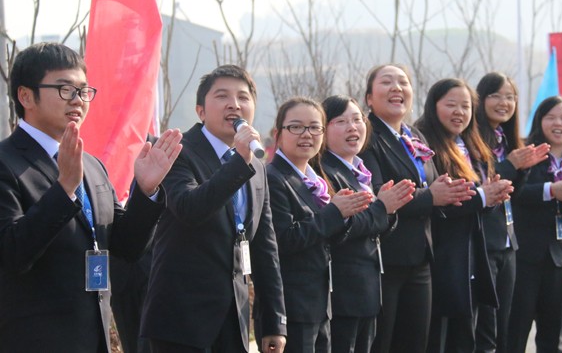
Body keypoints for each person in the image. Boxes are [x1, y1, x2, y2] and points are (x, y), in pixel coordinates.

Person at [0, 42, 182, 353]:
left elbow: (126, 247)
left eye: (84, 91)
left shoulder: (92, 165)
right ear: (26, 96)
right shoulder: (6, 163)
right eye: (65, 89)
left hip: (93, 336)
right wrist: (64, 190)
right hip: (33, 340)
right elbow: (12, 253)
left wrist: (146, 191)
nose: (78, 100)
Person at [140, 65, 286, 353]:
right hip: (182, 322)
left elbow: (265, 246)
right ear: (201, 111)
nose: (234, 104)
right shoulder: (177, 151)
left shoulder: (256, 165)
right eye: (222, 96)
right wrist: (238, 163)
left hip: (234, 319)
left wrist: (273, 322)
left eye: (243, 97)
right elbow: (189, 208)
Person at [359, 64, 473, 353]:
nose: (397, 88)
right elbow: (379, 194)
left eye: (403, 82)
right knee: (384, 344)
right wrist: (431, 197)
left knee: (416, 343)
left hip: (421, 257)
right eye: (387, 82)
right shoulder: (367, 137)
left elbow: (431, 186)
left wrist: (449, 193)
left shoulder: (414, 137)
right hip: (387, 260)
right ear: (369, 98)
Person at [414, 78, 512, 353]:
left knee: (472, 337)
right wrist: (483, 197)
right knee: (444, 338)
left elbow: (479, 197)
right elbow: (444, 202)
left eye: (466, 106)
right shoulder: (425, 145)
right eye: (451, 105)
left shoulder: (470, 145)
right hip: (444, 256)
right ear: (433, 106)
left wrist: (492, 196)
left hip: (472, 253)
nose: (459, 112)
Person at [267, 97, 372, 353]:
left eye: (315, 127)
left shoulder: (315, 182)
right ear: (277, 134)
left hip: (321, 305)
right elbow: (284, 239)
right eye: (296, 127)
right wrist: (335, 213)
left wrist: (344, 214)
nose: (307, 134)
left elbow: (326, 235)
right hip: (293, 307)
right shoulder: (274, 178)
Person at [320, 95, 414, 353]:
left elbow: (375, 225)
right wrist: (382, 208)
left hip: (368, 291)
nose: (353, 127)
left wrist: (389, 210)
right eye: (341, 122)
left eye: (357, 119)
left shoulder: (359, 171)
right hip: (343, 294)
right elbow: (343, 224)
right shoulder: (325, 171)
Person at [508, 96, 562, 353]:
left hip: (560, 258)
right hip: (524, 256)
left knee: (553, 337)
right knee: (514, 333)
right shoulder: (527, 153)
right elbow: (514, 193)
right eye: (551, 117)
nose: (558, 123)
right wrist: (551, 190)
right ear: (540, 121)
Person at [474, 72, 549, 353]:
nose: (503, 103)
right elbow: (483, 187)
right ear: (480, 99)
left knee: (505, 324)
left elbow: (512, 194)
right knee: (487, 329)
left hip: (507, 241)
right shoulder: (472, 140)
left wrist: (523, 168)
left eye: (510, 97)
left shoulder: (506, 139)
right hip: (484, 243)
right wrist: (510, 165)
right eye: (496, 96)